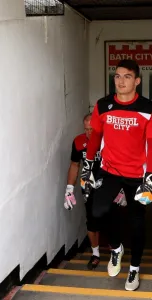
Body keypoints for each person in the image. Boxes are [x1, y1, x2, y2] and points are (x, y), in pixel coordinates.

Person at [81, 59, 152, 291]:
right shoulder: (103, 105)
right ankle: (116, 248)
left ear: (137, 81)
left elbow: (151, 144)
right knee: (98, 210)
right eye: (117, 76)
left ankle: (134, 269)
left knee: (137, 221)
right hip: (109, 169)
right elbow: (94, 137)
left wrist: (149, 178)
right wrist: (88, 166)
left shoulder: (147, 108)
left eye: (127, 76)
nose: (121, 81)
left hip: (136, 175)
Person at [64, 113, 127, 270]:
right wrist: (69, 189)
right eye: (86, 129)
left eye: (92, 129)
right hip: (89, 187)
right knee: (92, 222)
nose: (89, 133)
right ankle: (96, 254)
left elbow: (123, 163)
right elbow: (74, 165)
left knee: (113, 219)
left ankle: (115, 252)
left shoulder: (110, 140)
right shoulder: (78, 142)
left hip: (110, 186)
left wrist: (122, 188)